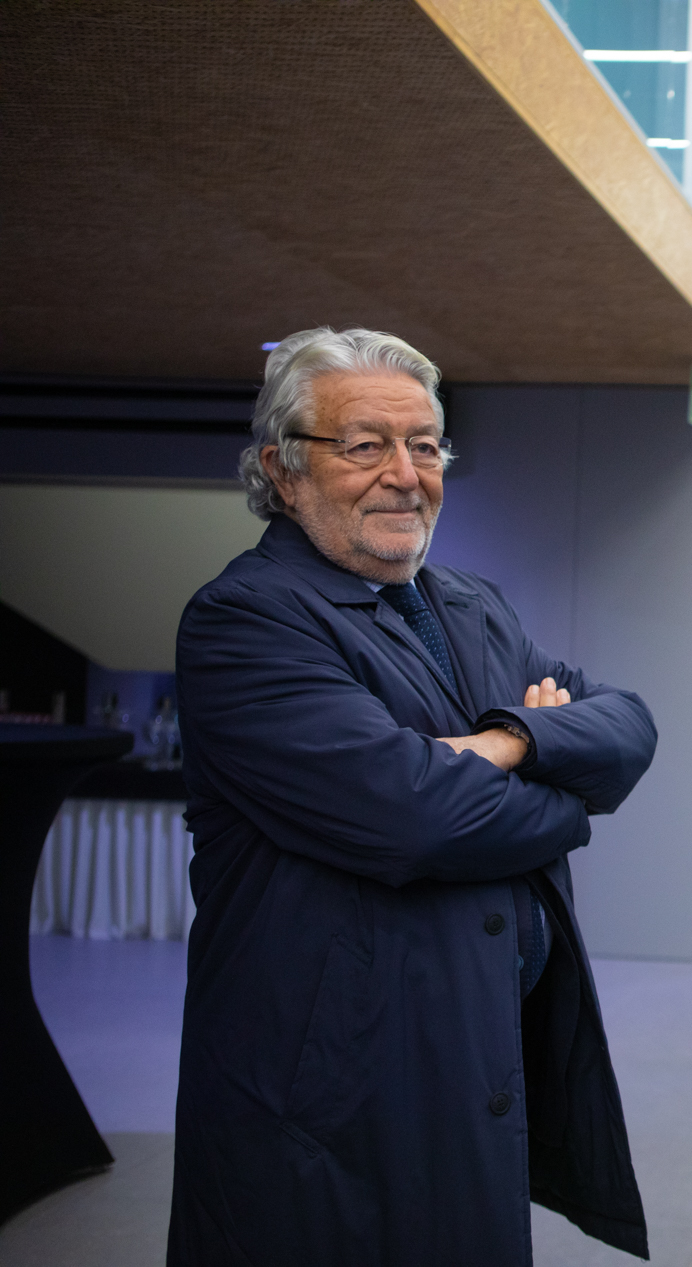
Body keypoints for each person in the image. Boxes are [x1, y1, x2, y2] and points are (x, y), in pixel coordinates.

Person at [167, 328, 657, 1264]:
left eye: (425, 445)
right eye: (364, 445)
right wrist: (561, 796)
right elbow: (415, 816)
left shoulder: (468, 603)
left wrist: (508, 739)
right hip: (329, 1095)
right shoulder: (247, 620)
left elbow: (628, 725)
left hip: (466, 1059)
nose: (405, 473)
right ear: (283, 468)